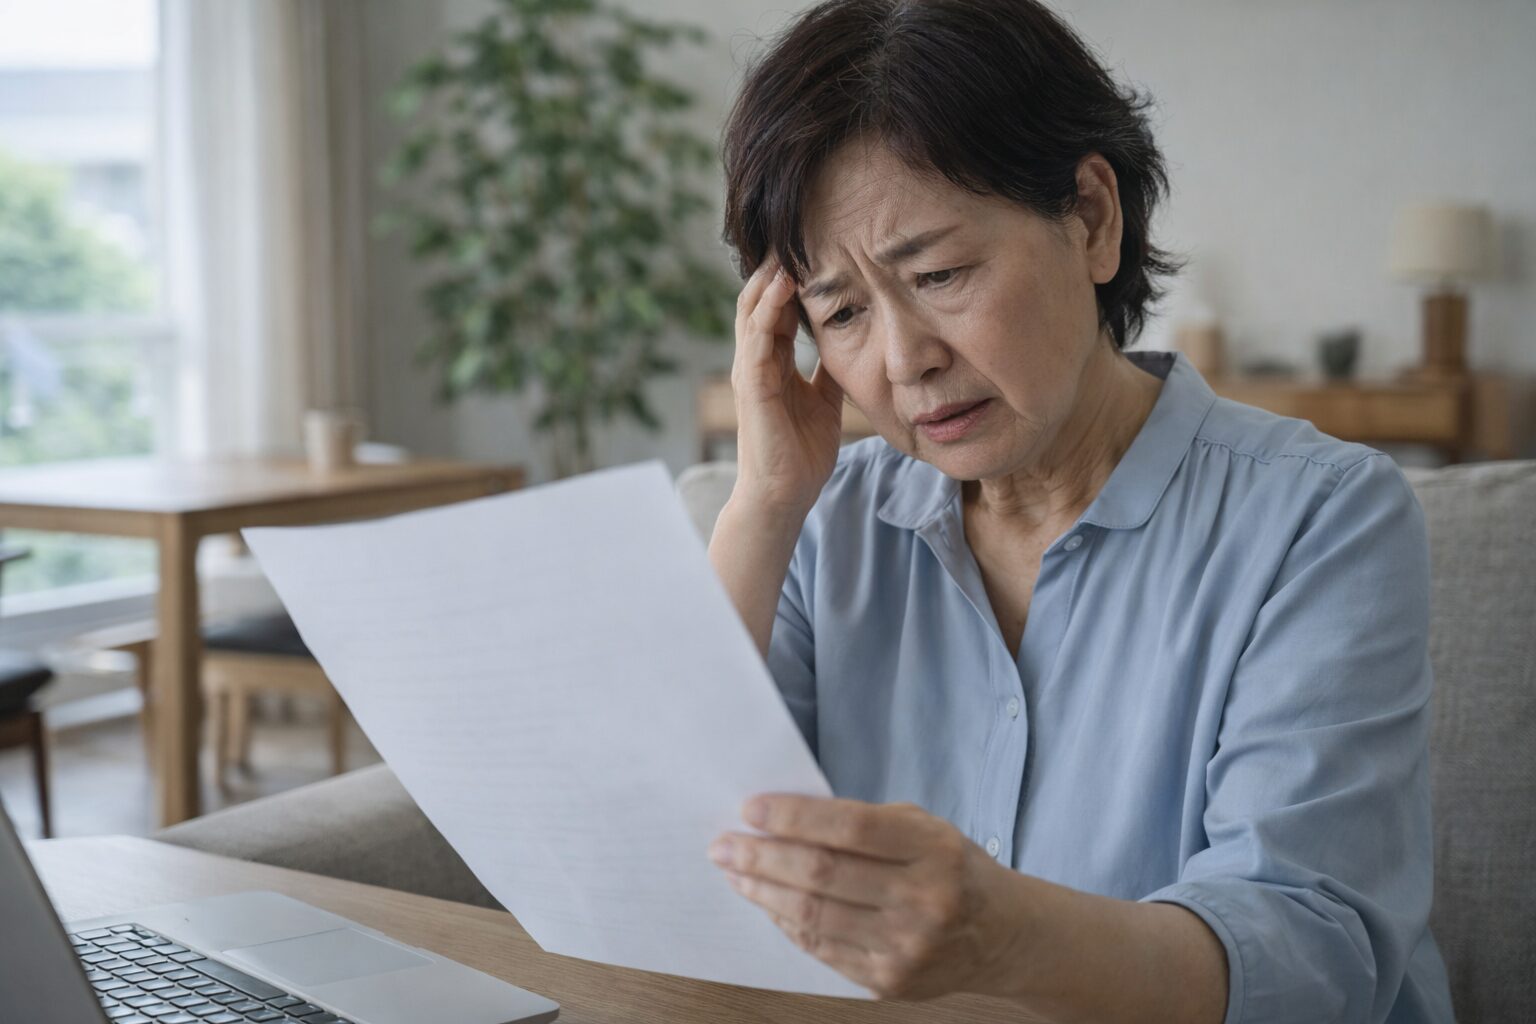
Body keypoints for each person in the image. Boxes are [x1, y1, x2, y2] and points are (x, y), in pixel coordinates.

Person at [702, 1, 1456, 1021]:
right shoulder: (820, 525)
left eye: (941, 273)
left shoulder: (1321, 518)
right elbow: (678, 862)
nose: (903, 358)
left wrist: (999, 934)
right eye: (839, 312)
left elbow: (1313, 952)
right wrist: (761, 502)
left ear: (1093, 218)